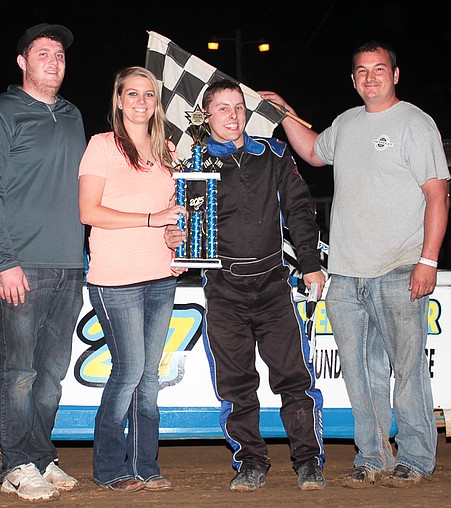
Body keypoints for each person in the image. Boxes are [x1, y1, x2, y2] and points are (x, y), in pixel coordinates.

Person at [260, 41, 450, 488]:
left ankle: (417, 458)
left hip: (400, 268)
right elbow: (312, 153)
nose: (370, 77)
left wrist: (428, 260)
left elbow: (437, 194)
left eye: (379, 69)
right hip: (346, 274)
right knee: (361, 375)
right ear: (352, 80)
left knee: (408, 371)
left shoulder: (416, 124)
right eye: (362, 71)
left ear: (395, 75)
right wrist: (285, 112)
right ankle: (372, 456)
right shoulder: (346, 123)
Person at [169, 80, 326, 492]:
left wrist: (310, 263)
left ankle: (308, 461)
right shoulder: (195, 163)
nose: (233, 115)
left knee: (294, 378)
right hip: (224, 289)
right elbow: (185, 225)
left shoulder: (273, 153)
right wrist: (176, 234)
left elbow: (299, 211)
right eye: (222, 108)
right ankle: (251, 462)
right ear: (205, 115)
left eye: (238, 106)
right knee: (236, 384)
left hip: (274, 286)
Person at [0, 23, 86, 502]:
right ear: (22, 61)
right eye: (43, 53)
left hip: (69, 266)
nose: (53, 61)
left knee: (52, 373)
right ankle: (16, 464)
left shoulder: (73, 115)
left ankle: (39, 454)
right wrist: (2, 260)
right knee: (18, 371)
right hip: (20, 266)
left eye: (59, 54)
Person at [78, 66, 184, 493]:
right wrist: (151, 219)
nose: (141, 102)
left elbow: (175, 215)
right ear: (119, 100)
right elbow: (89, 212)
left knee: (149, 376)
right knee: (129, 371)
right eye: (133, 94)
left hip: (161, 276)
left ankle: (145, 465)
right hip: (115, 278)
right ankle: (108, 467)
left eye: (148, 95)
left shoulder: (169, 153)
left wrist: (177, 239)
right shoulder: (101, 146)